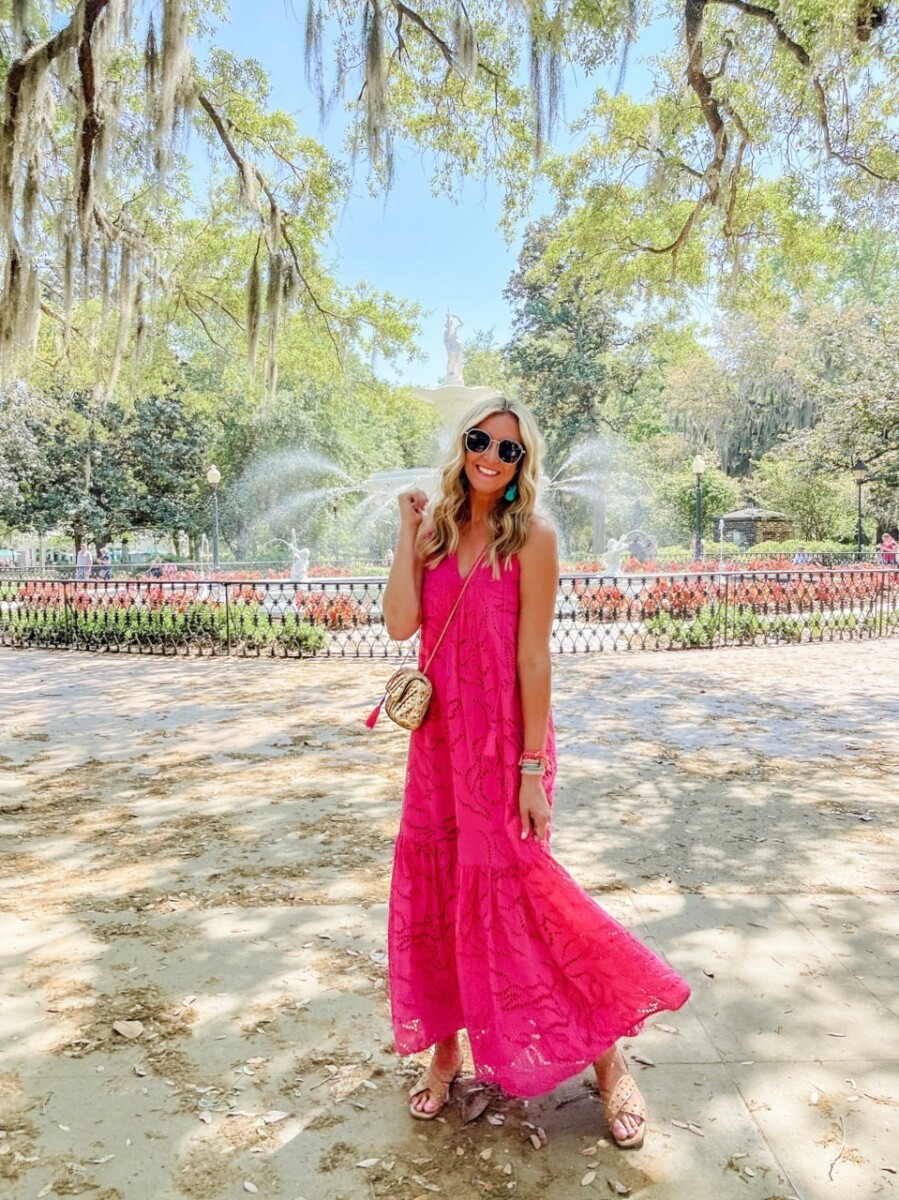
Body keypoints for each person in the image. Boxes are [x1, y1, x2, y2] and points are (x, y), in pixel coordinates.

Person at [382, 397, 690, 1149]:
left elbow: (532, 658)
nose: (491, 455)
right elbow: (397, 625)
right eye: (480, 440)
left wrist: (527, 768)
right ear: (462, 445)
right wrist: (404, 533)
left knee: (524, 896)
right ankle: (445, 1051)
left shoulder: (534, 538)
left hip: (503, 748)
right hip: (439, 746)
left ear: (524, 464)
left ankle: (609, 1060)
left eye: (508, 450)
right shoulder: (435, 531)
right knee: (441, 890)